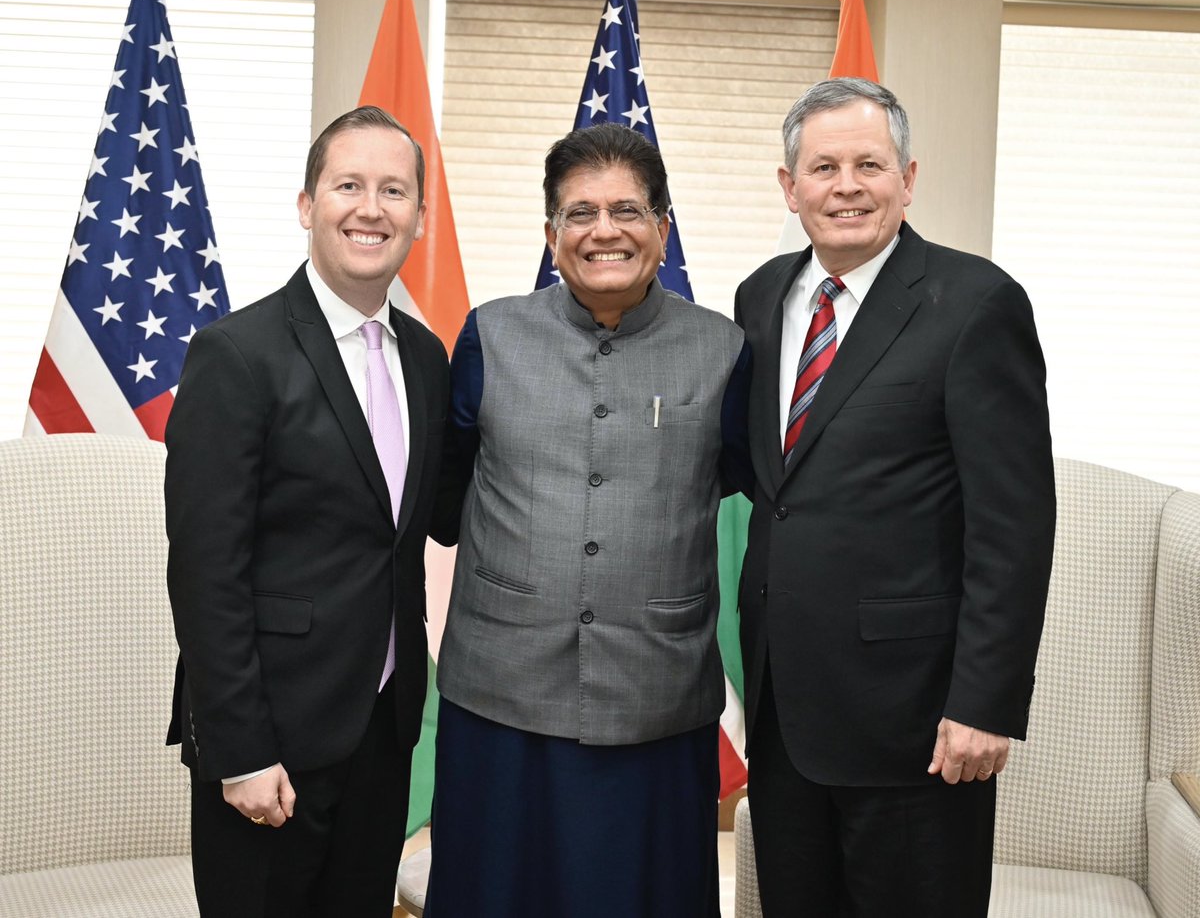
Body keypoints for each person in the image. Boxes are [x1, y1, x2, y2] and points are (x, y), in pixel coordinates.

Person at [734, 78, 1055, 917]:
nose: (847, 185)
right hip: (782, 712)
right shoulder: (761, 298)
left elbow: (1013, 525)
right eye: (824, 166)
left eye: (869, 164)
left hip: (915, 727)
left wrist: (983, 705)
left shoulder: (977, 304)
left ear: (908, 177)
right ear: (789, 185)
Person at [423, 123, 750, 918]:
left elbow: (740, 479)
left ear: (663, 229)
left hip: (656, 699)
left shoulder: (726, 349)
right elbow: (443, 493)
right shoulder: (490, 335)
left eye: (628, 209)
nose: (604, 230)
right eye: (580, 213)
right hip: (500, 695)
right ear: (550, 234)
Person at [165, 106, 452, 917]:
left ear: (420, 217)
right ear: (306, 204)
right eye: (349, 185)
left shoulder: (426, 358)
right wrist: (239, 748)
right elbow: (204, 569)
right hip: (273, 739)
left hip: (384, 730)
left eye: (394, 190)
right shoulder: (237, 353)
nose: (372, 208)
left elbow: (434, 516)